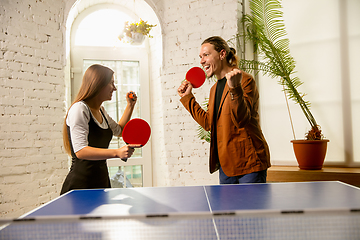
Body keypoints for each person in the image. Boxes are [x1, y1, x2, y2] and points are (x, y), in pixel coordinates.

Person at [177, 36, 271, 184]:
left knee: (251, 208)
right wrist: (188, 98)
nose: (201, 61)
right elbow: (209, 123)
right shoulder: (214, 89)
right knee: (227, 208)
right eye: (200, 57)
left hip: (250, 163)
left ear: (222, 54)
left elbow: (242, 119)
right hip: (226, 165)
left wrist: (235, 89)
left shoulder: (245, 80)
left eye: (206, 55)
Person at [60, 64, 141, 195]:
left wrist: (130, 106)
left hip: (101, 182)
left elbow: (119, 131)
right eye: (111, 83)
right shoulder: (80, 109)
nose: (114, 88)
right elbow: (81, 151)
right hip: (80, 185)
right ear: (98, 84)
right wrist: (116, 152)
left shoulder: (101, 111)